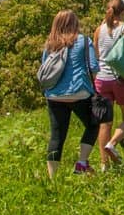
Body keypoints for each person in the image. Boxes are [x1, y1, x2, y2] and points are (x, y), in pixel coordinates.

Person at [41, 10, 101, 177]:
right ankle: (82, 163)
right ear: (75, 24)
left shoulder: (49, 44)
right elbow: (94, 67)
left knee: (57, 136)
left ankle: (52, 177)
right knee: (93, 124)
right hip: (79, 92)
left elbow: (45, 68)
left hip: (53, 94)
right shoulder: (83, 40)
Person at [89, 1, 124, 165]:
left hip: (102, 80)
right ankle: (112, 144)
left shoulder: (98, 30)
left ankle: (104, 164)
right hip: (122, 78)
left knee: (105, 123)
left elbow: (96, 53)